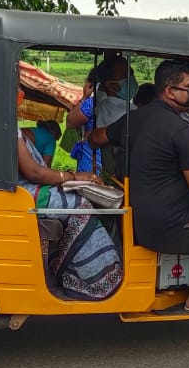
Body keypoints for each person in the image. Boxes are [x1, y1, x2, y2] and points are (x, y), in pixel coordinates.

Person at [87, 59, 189, 313]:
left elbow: (95, 138)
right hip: (172, 228)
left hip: (139, 220)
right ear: (169, 91)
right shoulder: (180, 130)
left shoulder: (135, 118)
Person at [15, 104, 124, 301]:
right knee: (81, 205)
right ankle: (97, 280)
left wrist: (70, 178)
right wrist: (72, 176)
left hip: (23, 189)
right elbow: (35, 172)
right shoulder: (7, 128)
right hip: (26, 192)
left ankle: (66, 266)